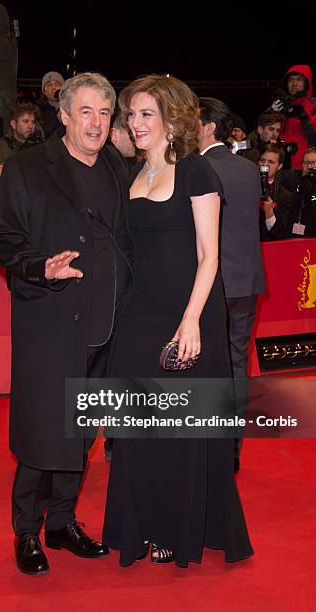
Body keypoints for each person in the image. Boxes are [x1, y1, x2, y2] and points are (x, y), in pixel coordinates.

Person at [102, 75, 253, 568]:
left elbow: (210, 256)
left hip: (188, 312)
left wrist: (191, 323)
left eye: (147, 114)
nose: (135, 123)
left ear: (172, 119)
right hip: (139, 313)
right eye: (132, 114)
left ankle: (174, 528)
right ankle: (141, 524)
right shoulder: (132, 175)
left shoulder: (193, 172)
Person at [0, 72, 132, 575]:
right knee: (42, 433)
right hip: (50, 324)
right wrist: (38, 265)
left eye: (103, 113)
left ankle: (62, 522)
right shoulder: (29, 167)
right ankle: (27, 530)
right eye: (85, 111)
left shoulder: (117, 166)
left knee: (81, 431)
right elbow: (2, 239)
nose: (95, 123)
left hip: (104, 329)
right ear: (64, 115)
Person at [198, 98, 265, 472]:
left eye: (194, 122)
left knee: (208, 363)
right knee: (237, 362)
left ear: (209, 127)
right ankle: (232, 447)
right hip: (247, 281)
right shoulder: (249, 168)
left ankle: (213, 445)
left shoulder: (198, 168)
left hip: (213, 282)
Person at [0, 103, 42, 247]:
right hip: (2, 202)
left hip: (31, 206)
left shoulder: (39, 148)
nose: (30, 125)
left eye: (32, 122)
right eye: (25, 121)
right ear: (13, 124)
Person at [272, 65, 316, 172]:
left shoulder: (313, 104)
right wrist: (271, 113)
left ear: (306, 82)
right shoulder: (280, 105)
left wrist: (304, 119)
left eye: (299, 80)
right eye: (290, 80)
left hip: (306, 166)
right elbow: (263, 131)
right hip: (282, 165)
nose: (294, 84)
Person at [258, 144, 294, 241]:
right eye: (262, 160)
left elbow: (280, 234)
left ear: (279, 166)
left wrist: (269, 212)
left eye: (271, 162)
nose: (265, 165)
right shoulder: (246, 187)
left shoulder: (285, 196)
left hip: (270, 246)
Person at [37, 71, 64, 139]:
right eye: (49, 85)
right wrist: (57, 118)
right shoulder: (37, 109)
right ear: (44, 91)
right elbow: (41, 133)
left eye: (57, 84)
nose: (53, 88)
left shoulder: (70, 106)